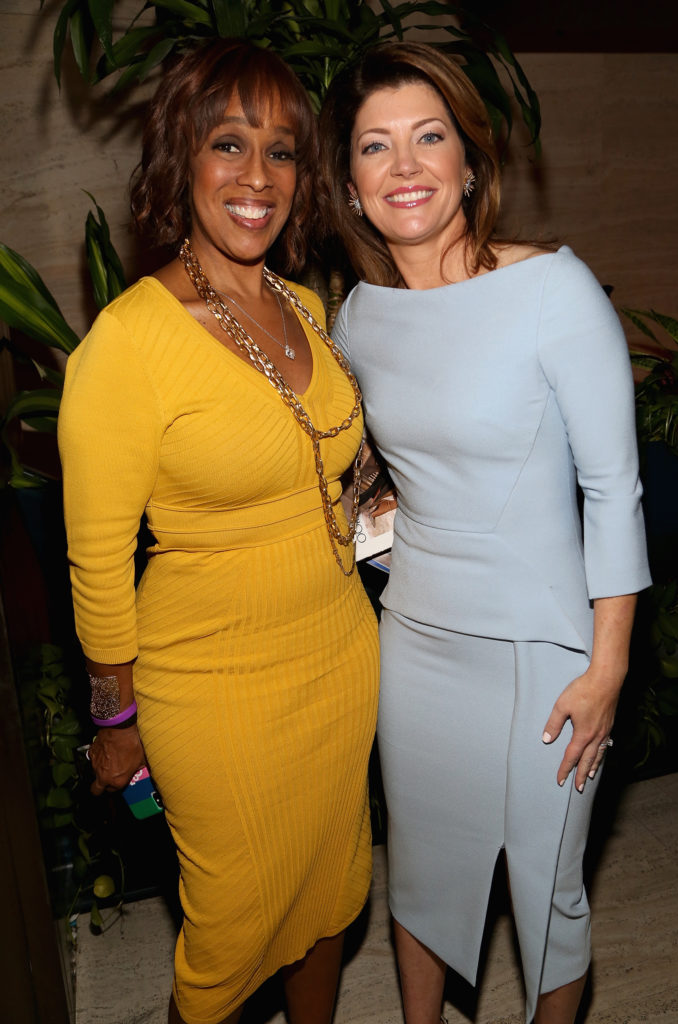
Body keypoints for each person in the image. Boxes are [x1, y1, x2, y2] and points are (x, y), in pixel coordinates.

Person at [318, 41, 651, 1024]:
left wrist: (607, 669)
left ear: (469, 161)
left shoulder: (552, 289)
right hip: (414, 643)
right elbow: (383, 475)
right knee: (419, 874)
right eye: (375, 148)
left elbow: (614, 488)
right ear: (349, 183)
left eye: (428, 138)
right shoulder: (359, 319)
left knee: (543, 893)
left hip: (550, 654)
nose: (405, 166)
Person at [58, 40, 379, 1024]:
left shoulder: (304, 307)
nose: (256, 178)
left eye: (281, 152)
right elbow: (96, 562)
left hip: (335, 661)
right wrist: (115, 724)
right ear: (179, 158)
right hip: (212, 693)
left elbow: (319, 470)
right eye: (228, 143)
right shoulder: (127, 343)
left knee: (333, 896)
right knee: (230, 936)